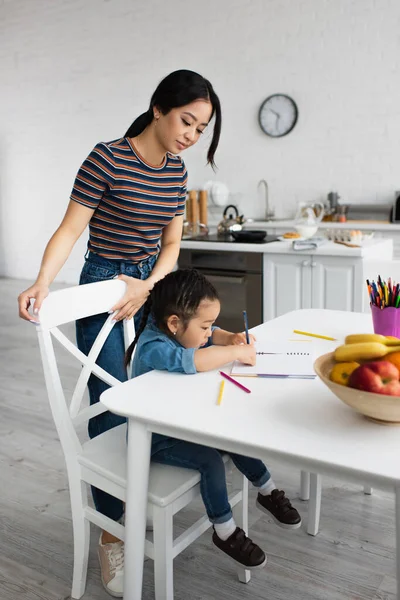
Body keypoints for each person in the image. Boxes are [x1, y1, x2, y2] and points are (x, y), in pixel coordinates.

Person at [18, 70, 222, 597]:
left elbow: (173, 243)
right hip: (103, 283)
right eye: (186, 121)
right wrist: (41, 282)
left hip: (151, 284)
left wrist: (148, 285)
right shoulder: (107, 157)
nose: (190, 136)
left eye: (201, 129)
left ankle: (146, 483)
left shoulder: (176, 172)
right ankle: (113, 532)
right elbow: (70, 229)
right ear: (159, 108)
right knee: (109, 403)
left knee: (160, 387)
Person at [126, 268, 302, 570]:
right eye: (205, 326)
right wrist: (233, 350)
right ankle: (225, 531)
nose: (209, 333)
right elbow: (196, 360)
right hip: (156, 438)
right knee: (209, 461)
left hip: (183, 422)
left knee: (234, 436)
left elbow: (210, 336)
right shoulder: (154, 347)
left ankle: (268, 491)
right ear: (174, 323)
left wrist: (228, 336)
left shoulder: (181, 331)